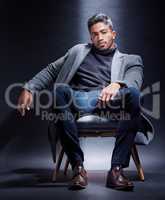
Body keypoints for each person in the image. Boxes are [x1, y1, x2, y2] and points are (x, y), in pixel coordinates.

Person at [17, 13, 144, 191]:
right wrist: (29, 87)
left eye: (103, 32)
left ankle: (116, 170)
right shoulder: (78, 51)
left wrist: (117, 84)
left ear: (113, 34)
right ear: (90, 36)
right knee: (60, 90)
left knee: (134, 93)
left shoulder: (131, 60)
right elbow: (52, 70)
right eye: (94, 34)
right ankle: (78, 167)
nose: (99, 37)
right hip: (80, 100)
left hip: (112, 103)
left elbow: (135, 80)